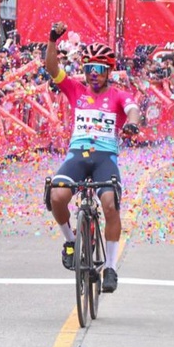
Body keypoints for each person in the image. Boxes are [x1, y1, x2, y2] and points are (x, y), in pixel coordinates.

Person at [44, 21, 141, 293]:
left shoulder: (119, 95)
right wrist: (53, 39)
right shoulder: (76, 90)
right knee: (57, 195)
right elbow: (53, 69)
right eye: (88, 69)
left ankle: (110, 267)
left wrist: (132, 123)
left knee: (110, 205)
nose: (93, 75)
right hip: (78, 155)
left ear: (109, 71)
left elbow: (132, 110)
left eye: (98, 70)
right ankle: (71, 241)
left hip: (104, 159)